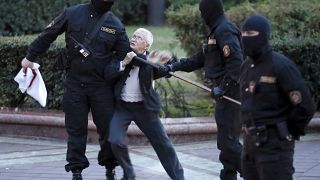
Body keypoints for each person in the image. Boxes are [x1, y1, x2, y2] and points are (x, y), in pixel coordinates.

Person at [20, 0, 131, 179]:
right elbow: (49, 34)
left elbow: (124, 58)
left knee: (108, 130)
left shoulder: (116, 25)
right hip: (75, 83)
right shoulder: (72, 13)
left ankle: (110, 167)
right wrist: (30, 56)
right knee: (76, 130)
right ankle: (76, 170)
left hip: (101, 87)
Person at [167, 0, 243, 179]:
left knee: (229, 143)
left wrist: (224, 88)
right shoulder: (216, 32)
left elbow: (237, 63)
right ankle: (228, 175)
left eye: (203, 12)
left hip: (232, 93)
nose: (202, 16)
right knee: (225, 142)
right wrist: (174, 66)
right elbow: (199, 59)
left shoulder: (225, 29)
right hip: (223, 93)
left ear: (210, 11)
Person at [239, 15, 316, 180]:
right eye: (243, 33)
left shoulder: (281, 66)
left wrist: (287, 133)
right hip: (250, 147)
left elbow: (305, 106)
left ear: (263, 35)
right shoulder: (246, 66)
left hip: (275, 149)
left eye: (250, 33)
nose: (245, 38)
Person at [104, 28, 185, 180]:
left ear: (146, 46)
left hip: (144, 109)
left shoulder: (150, 61)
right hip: (122, 107)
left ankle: (179, 177)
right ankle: (129, 173)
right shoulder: (122, 55)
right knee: (115, 141)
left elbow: (166, 69)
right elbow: (108, 74)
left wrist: (167, 59)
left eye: (139, 37)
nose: (133, 38)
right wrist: (123, 63)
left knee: (164, 146)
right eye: (133, 35)